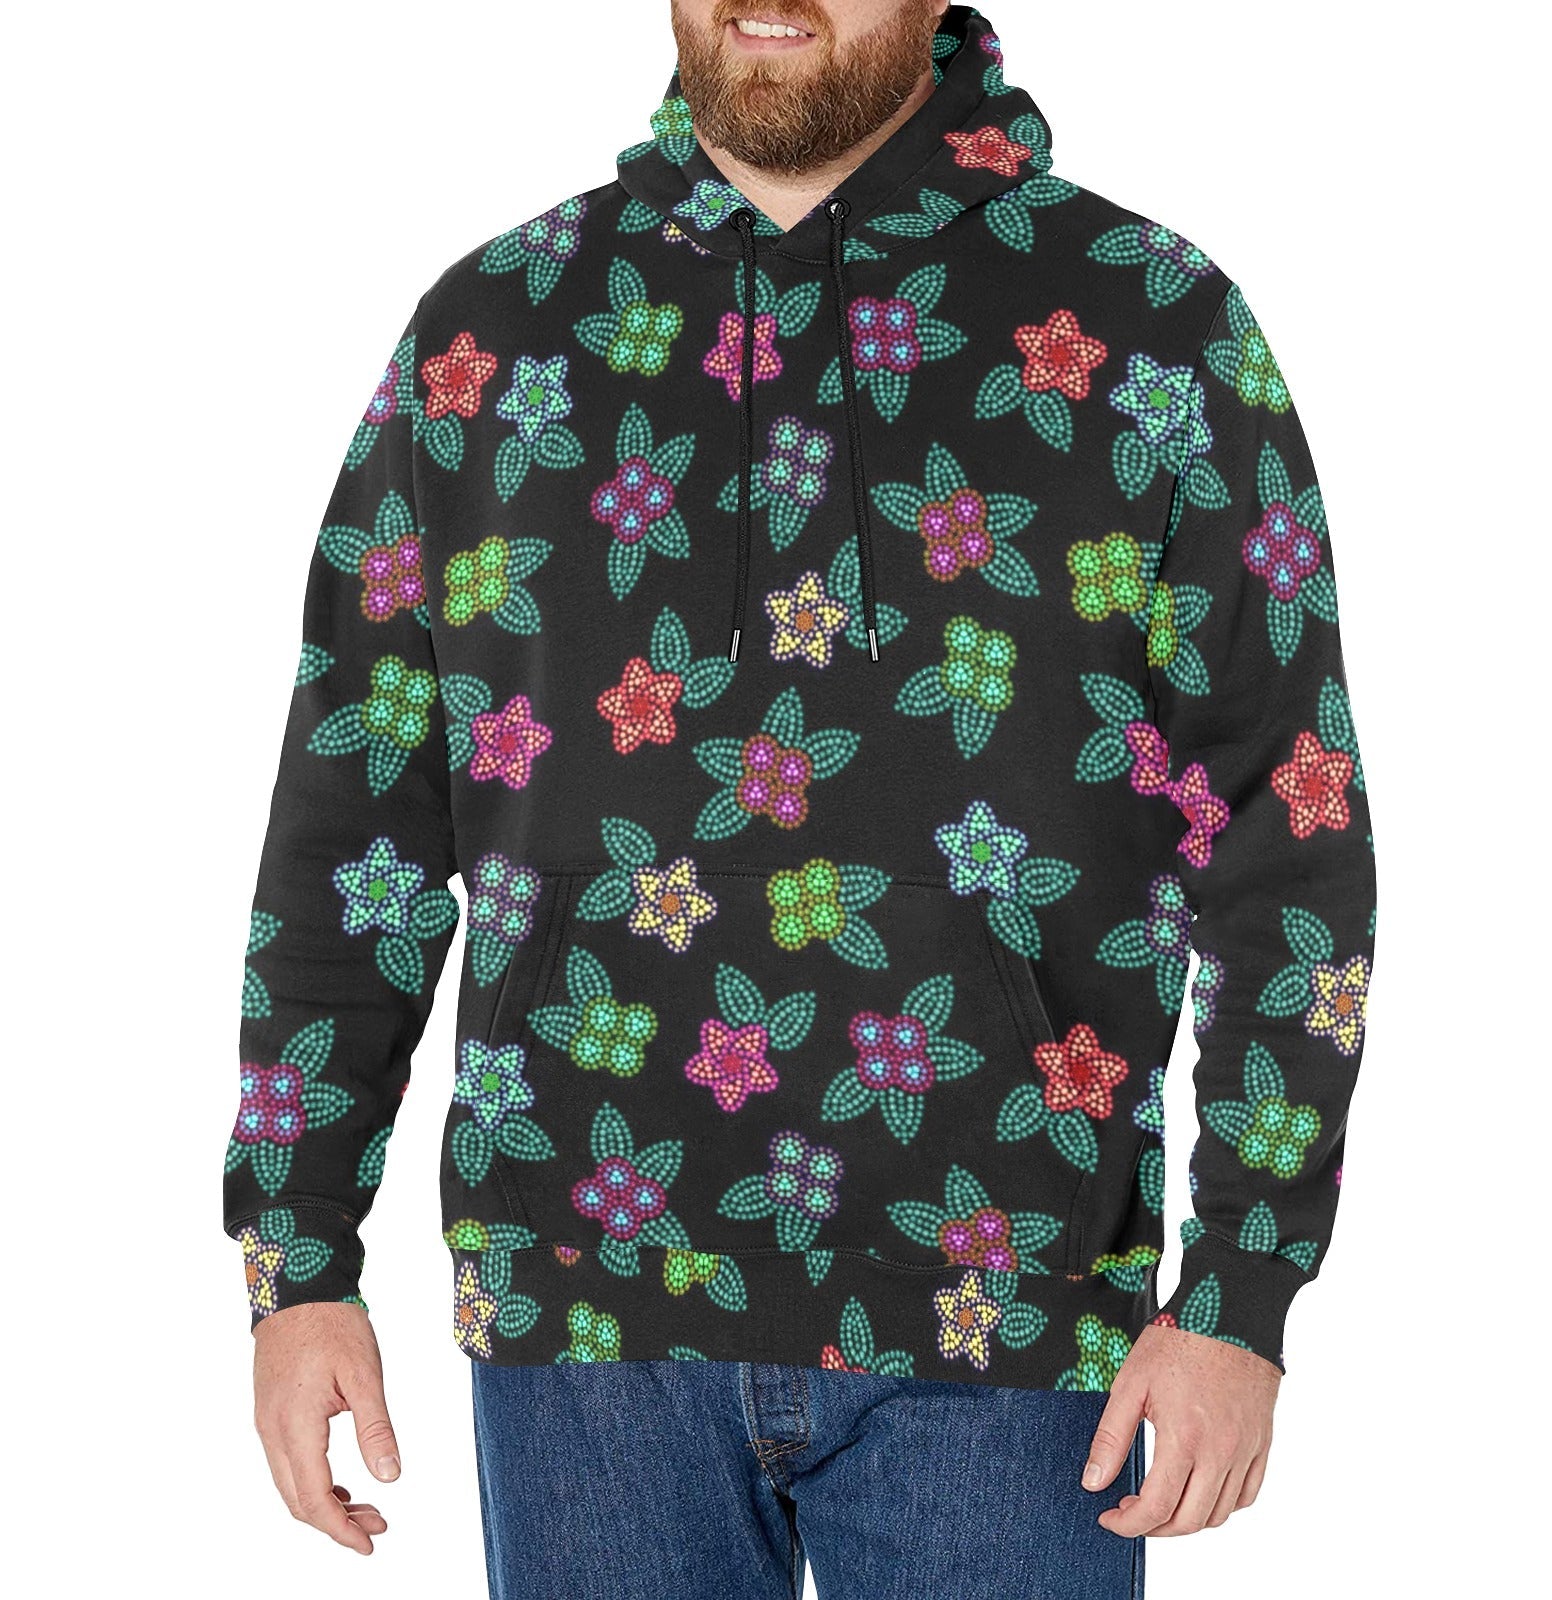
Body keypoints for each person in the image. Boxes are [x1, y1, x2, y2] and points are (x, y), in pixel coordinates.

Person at [225, 3, 1378, 1594]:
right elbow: (353, 827)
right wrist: (295, 1263)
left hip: (1017, 1322)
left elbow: (1286, 834)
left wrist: (1243, 1293)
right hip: (584, 1316)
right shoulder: (494, 336)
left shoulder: (1148, 325)